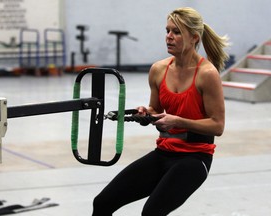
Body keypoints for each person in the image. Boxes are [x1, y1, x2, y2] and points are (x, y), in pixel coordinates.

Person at [92, 7, 229, 216]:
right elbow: (156, 109)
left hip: (195, 158)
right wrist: (146, 113)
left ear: (193, 38)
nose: (169, 37)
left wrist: (178, 121)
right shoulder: (158, 69)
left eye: (176, 32)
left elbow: (217, 126)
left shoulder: (206, 74)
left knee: (151, 213)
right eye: (167, 31)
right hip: (163, 152)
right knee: (102, 203)